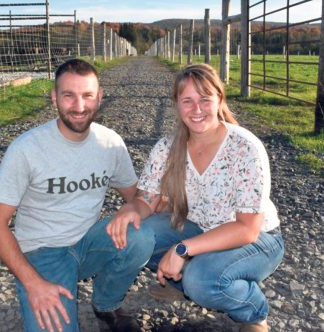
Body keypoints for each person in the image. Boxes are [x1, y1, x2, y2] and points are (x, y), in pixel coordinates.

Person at [107, 63, 284, 332]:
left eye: (204, 99)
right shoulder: (168, 146)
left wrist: (182, 249)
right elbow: (147, 199)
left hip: (258, 238)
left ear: (219, 100)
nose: (197, 109)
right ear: (176, 104)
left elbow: (247, 229)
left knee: (202, 279)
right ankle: (181, 283)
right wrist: (134, 210)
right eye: (187, 101)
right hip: (200, 228)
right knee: (137, 234)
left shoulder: (244, 146)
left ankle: (253, 312)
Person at [0, 59, 155, 332]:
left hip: (88, 243)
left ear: (100, 97)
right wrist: (34, 283)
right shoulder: (27, 149)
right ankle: (47, 285)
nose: (79, 107)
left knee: (140, 236)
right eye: (69, 96)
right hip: (42, 252)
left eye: (87, 95)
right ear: (54, 97)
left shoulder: (109, 143)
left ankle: (106, 304)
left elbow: (136, 196)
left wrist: (142, 205)